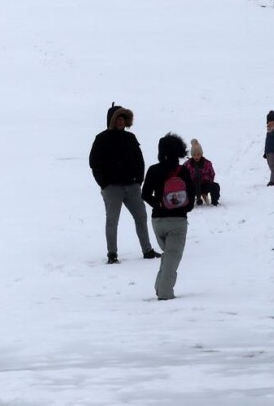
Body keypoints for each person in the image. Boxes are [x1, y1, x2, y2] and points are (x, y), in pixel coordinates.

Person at [89, 103, 161, 264]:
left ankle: (147, 250)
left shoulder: (130, 138)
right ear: (112, 120)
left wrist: (138, 180)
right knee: (112, 220)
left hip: (132, 186)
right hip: (112, 188)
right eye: (118, 118)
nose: (121, 121)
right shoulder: (101, 139)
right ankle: (112, 255)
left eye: (123, 118)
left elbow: (139, 159)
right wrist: (104, 184)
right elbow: (94, 163)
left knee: (141, 216)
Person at [141, 133, 195, 300]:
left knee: (168, 254)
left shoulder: (153, 169)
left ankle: (159, 287)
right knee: (172, 256)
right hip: (178, 220)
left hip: (157, 221)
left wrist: (159, 204)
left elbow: (144, 194)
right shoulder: (183, 170)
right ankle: (165, 293)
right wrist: (184, 208)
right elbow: (191, 196)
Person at [182, 138, 220, 205]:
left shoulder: (207, 163)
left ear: (201, 154)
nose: (196, 157)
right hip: (193, 186)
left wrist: (207, 180)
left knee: (215, 186)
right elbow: (182, 176)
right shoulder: (187, 165)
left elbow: (212, 174)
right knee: (185, 189)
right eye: (194, 155)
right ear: (192, 155)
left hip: (204, 185)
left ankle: (214, 202)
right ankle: (188, 203)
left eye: (198, 154)